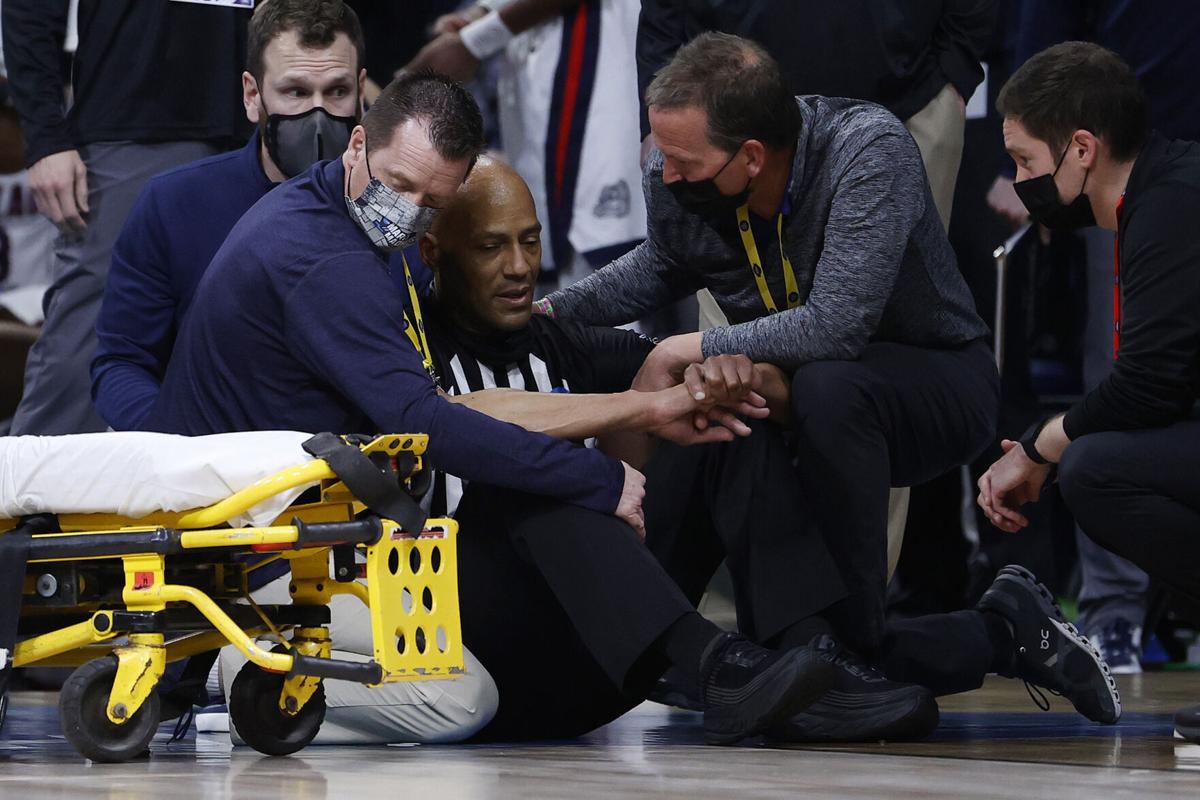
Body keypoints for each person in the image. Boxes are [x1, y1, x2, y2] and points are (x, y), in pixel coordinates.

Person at [143, 71, 834, 745]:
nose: (408, 211)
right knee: (470, 676)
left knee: (642, 459)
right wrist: (599, 478)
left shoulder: (355, 224)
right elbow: (430, 422)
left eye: (431, 202)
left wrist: (649, 398)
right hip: (275, 563)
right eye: (398, 184)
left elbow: (451, 409)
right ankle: (242, 672)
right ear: (357, 145)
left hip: (333, 540)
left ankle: (808, 664)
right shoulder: (324, 261)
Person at [541, 32, 998, 658]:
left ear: (751, 157)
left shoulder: (867, 149)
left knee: (820, 385)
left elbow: (836, 327)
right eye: (663, 156)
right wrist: (542, 315)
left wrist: (685, 347)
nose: (666, 174)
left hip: (933, 380)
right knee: (718, 403)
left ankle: (852, 649)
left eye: (685, 164)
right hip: (791, 384)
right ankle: (647, 642)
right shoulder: (678, 167)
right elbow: (659, 265)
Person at [971, 41, 1200, 742]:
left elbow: (1151, 385)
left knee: (1094, 470)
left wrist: (1037, 448)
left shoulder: (1169, 207)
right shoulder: (1165, 190)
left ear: (1081, 149)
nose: (1018, 181)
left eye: (1025, 163)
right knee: (1097, 458)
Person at [90, 0, 428, 432]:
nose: (318, 114)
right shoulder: (174, 204)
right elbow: (122, 361)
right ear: (253, 95)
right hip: (212, 470)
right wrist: (176, 450)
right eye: (296, 92)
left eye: (337, 91)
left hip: (358, 469)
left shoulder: (400, 210)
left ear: (362, 92)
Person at [1, 0, 251, 434]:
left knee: (243, 325)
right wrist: (44, 137)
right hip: (133, 114)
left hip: (259, 112)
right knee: (91, 333)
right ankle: (33, 497)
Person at [407, 0, 647, 289]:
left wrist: (476, 41)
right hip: (536, 93)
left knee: (615, 292)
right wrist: (479, 14)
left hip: (598, 87)